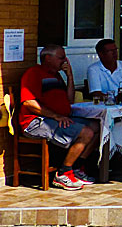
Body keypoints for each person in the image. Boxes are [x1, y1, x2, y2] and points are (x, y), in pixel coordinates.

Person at [20, 45, 100, 190]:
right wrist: (55, 116)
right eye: (61, 57)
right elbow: (29, 102)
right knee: (86, 132)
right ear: (48, 58)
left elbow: (69, 100)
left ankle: (75, 168)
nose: (65, 61)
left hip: (59, 117)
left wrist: (69, 76)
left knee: (98, 126)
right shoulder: (34, 73)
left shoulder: (56, 76)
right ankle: (63, 173)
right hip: (38, 122)